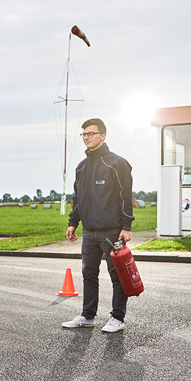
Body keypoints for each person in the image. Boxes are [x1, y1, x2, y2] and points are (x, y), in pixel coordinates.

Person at [62, 117, 135, 333]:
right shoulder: (81, 167)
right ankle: (87, 316)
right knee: (89, 274)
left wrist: (126, 226)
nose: (87, 138)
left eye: (91, 134)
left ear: (103, 135)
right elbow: (78, 199)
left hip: (112, 231)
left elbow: (125, 197)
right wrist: (73, 223)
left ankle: (117, 318)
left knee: (117, 276)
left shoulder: (116, 163)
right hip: (90, 232)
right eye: (84, 134)